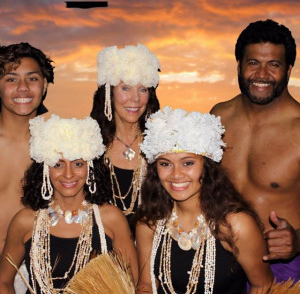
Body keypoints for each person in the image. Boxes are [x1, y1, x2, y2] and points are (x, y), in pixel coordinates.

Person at [136, 107, 273, 293]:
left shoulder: (235, 225)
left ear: (206, 166)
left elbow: (262, 285)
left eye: (188, 163)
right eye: (165, 164)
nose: (176, 174)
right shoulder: (150, 224)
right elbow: (146, 285)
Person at [0, 115, 138, 293]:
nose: (68, 174)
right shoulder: (25, 221)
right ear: (45, 168)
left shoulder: (111, 219)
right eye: (58, 164)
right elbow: (3, 281)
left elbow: (132, 284)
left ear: (90, 167)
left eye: (78, 163)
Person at [211, 19, 300, 283]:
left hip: (282, 267)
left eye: (273, 64)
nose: (262, 75)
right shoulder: (219, 116)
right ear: (239, 65)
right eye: (253, 63)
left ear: (288, 70)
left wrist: (297, 240)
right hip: (221, 260)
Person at [0, 42, 54, 292]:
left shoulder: (57, 146)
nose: (22, 88)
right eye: (11, 79)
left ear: (44, 85)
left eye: (32, 78)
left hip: (32, 271)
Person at [90, 44, 160, 234]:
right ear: (109, 93)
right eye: (126, 88)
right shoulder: (89, 144)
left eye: (143, 89)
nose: (135, 99)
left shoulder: (161, 143)